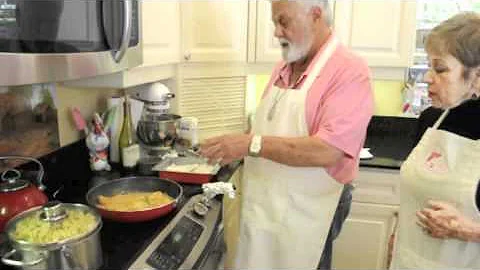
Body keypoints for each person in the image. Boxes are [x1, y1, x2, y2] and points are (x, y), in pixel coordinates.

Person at [200, 0, 373, 269]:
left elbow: (328, 150)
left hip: (310, 209)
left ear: (315, 15)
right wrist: (230, 146)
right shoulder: (284, 67)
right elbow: (265, 130)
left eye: (284, 21)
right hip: (266, 202)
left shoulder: (349, 71)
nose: (276, 32)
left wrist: (249, 144)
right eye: (274, 23)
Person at [391, 12, 480, 269]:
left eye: (440, 69)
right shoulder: (431, 119)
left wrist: (470, 231)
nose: (427, 77)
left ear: (476, 76)